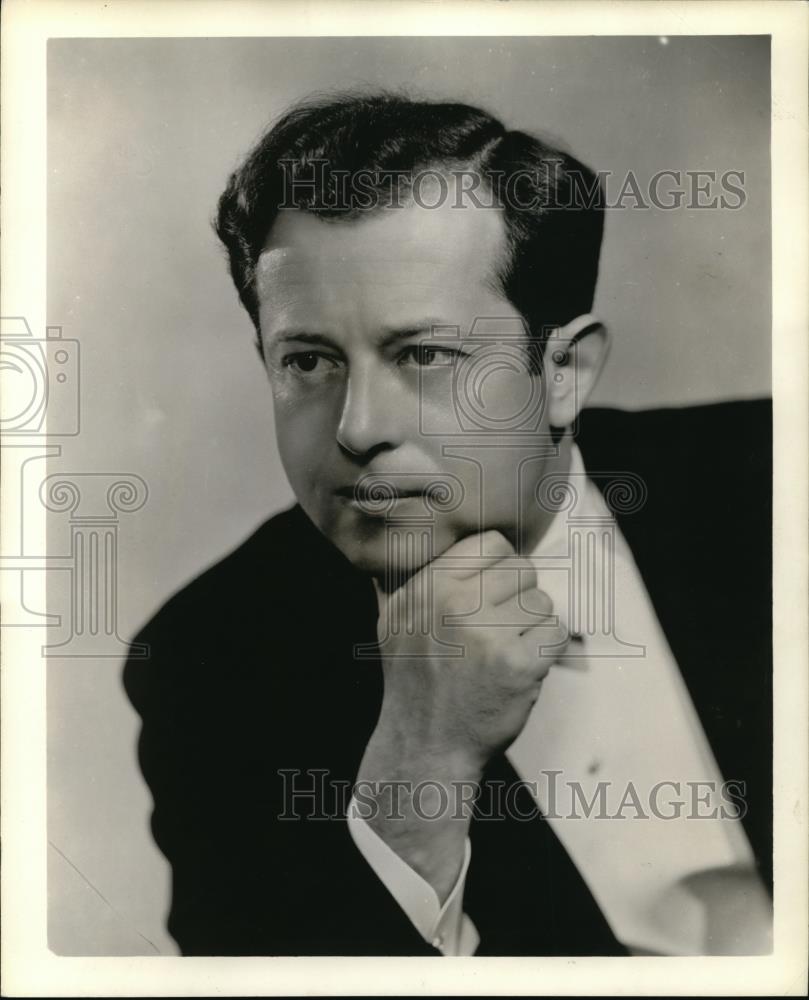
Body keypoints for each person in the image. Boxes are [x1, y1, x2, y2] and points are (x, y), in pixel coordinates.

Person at [123, 92, 772, 957]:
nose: (356, 427)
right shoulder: (213, 666)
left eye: (423, 355)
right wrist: (420, 762)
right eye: (308, 362)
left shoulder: (768, 473)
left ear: (565, 371)